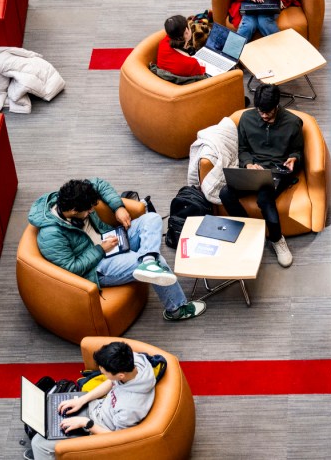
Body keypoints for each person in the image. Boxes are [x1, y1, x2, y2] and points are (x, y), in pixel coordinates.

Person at [28, 178, 206, 321]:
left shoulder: (75, 194)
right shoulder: (51, 235)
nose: (92, 211)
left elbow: (99, 184)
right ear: (74, 211)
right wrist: (100, 250)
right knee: (161, 261)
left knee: (152, 218)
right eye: (88, 210)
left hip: (112, 239)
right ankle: (176, 309)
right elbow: (72, 269)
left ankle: (148, 260)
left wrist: (118, 208)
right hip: (98, 266)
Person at [26, 342, 158, 460]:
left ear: (120, 375)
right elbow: (111, 382)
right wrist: (82, 400)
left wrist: (86, 423)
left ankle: (44, 451)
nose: (103, 375)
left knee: (38, 443)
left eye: (105, 373)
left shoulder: (130, 408)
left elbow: (117, 441)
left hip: (97, 429)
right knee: (52, 408)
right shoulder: (136, 361)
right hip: (96, 408)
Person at [219, 84, 303, 267]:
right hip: (252, 169)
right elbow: (243, 149)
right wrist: (248, 164)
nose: (264, 116)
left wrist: (293, 159)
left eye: (269, 112)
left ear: (277, 106)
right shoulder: (247, 118)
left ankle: (277, 239)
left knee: (265, 199)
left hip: (276, 170)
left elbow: (297, 150)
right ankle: (250, 231)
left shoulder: (293, 122)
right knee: (225, 193)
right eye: (260, 111)